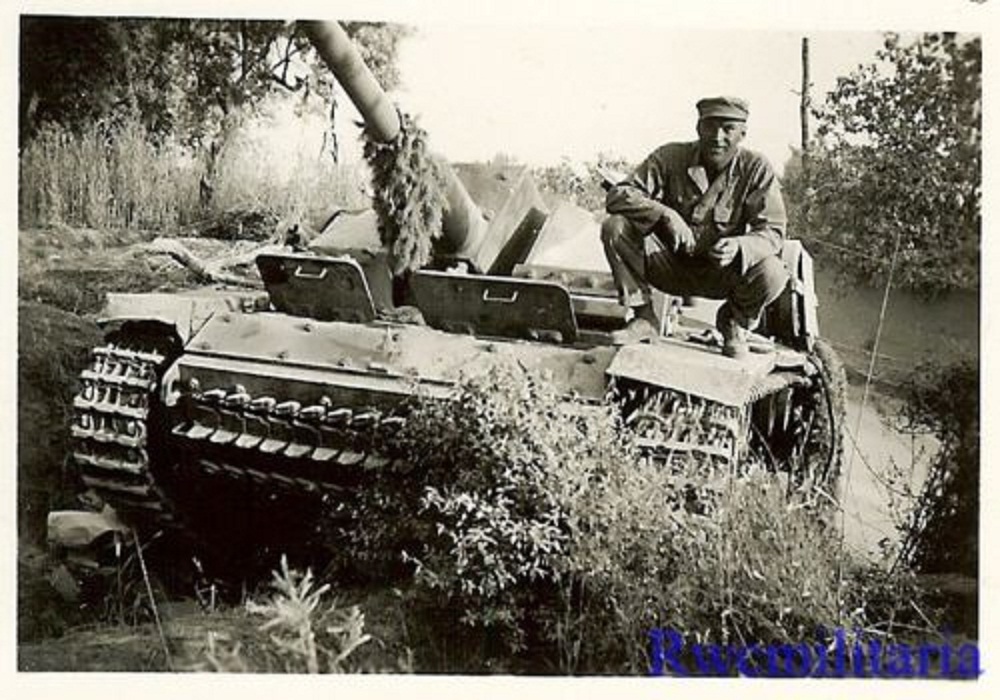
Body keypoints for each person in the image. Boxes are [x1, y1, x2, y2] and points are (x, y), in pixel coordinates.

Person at [601, 96, 789, 359]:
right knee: (615, 227)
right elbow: (618, 195)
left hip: (721, 273)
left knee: (774, 271)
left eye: (728, 129)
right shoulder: (670, 157)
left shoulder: (756, 168)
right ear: (698, 128)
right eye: (710, 126)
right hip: (668, 265)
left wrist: (739, 246)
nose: (717, 137)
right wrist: (665, 214)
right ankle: (644, 318)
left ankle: (733, 323)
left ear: (743, 134)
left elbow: (773, 232)